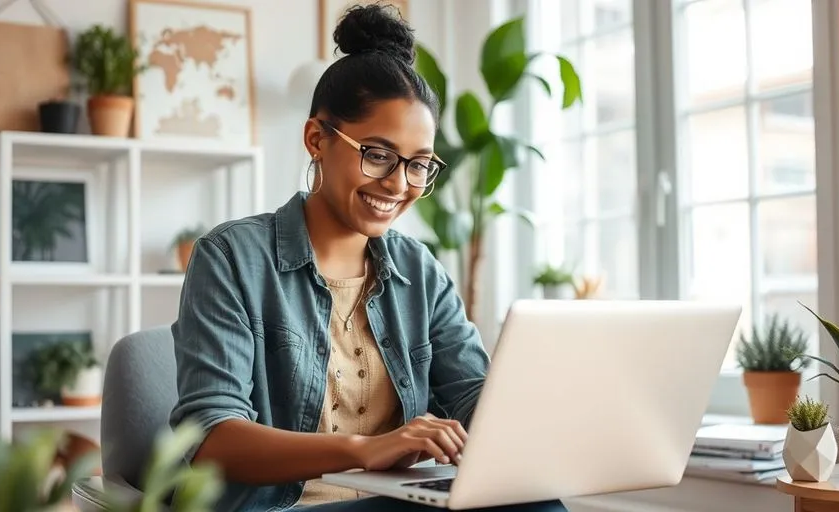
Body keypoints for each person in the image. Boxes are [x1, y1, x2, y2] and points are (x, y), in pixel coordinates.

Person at [168, 4, 567, 512]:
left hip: (395, 501)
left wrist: (550, 409)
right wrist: (363, 449)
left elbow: (474, 398)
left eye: (419, 164)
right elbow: (211, 439)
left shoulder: (421, 272)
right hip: (282, 508)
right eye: (377, 155)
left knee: (532, 500)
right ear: (316, 139)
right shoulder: (231, 258)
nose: (399, 184)